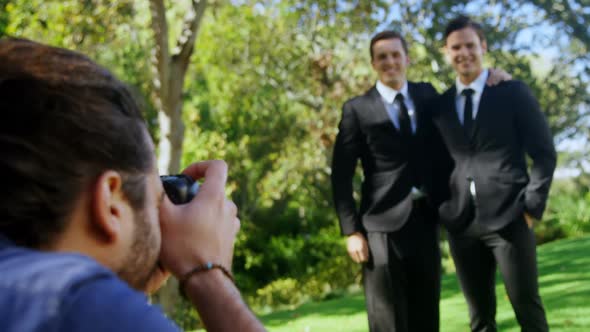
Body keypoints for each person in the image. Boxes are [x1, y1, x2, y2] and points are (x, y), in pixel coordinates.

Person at [0, 38, 266, 332]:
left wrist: (131, 279)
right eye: (156, 200)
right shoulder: (76, 303)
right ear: (111, 203)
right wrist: (207, 273)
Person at [330, 30, 509, 332]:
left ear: (407, 59)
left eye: (396, 55)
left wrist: (492, 77)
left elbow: (462, 104)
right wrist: (351, 231)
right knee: (388, 317)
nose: (390, 62)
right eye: (382, 57)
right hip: (380, 225)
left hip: (426, 218)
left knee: (427, 310)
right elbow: (341, 175)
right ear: (373, 63)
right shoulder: (357, 109)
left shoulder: (427, 95)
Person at [432, 15, 556, 332]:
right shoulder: (440, 106)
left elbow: (544, 152)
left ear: (483, 46)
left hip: (510, 217)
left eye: (470, 45)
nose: (464, 53)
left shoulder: (512, 92)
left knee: (527, 308)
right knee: (480, 319)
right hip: (462, 225)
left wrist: (531, 206)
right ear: (446, 52)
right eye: (456, 47)